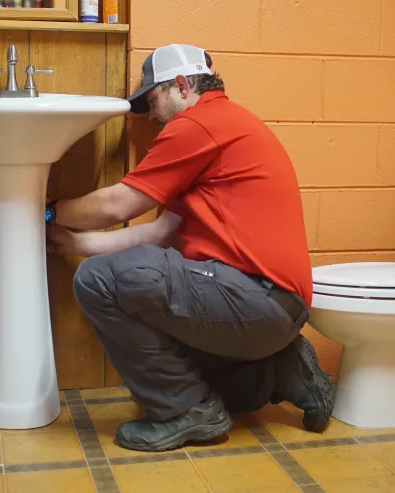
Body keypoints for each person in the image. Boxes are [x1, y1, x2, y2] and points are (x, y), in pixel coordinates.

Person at [45, 44, 334, 452]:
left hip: (255, 298)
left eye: (153, 100)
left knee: (97, 281)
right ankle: (280, 369)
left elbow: (120, 203)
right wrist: (78, 242)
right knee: (186, 373)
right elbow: (161, 233)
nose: (152, 116)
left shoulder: (198, 126)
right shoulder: (224, 127)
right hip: (274, 307)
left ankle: (189, 414)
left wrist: (50, 213)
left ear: (181, 85)